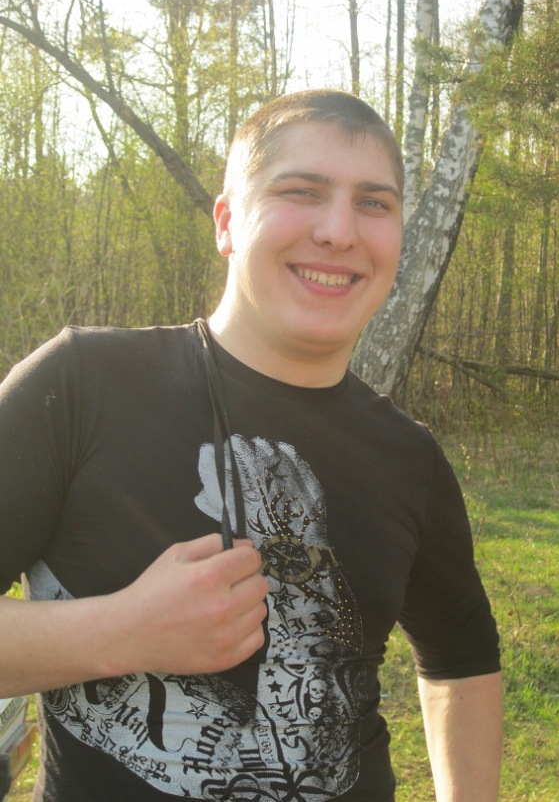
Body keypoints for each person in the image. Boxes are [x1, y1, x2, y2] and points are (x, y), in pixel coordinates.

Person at [0, 89, 502, 802]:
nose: (339, 231)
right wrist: (122, 630)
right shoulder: (81, 384)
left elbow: (462, 655)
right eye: (302, 191)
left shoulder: (409, 457)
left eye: (373, 203)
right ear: (227, 222)